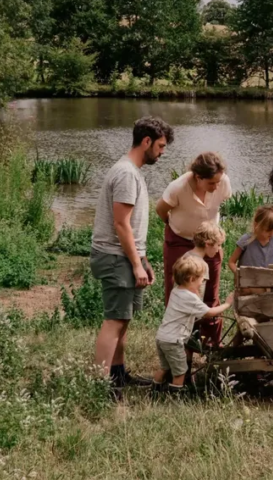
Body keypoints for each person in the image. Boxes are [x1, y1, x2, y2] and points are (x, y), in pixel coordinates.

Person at [90, 116, 174, 396]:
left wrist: (143, 260)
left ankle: (117, 375)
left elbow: (131, 228)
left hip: (126, 256)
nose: (162, 152)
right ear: (146, 141)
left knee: (123, 319)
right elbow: (121, 223)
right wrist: (136, 264)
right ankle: (100, 385)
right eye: (161, 146)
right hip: (115, 257)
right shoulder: (126, 173)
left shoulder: (132, 171)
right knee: (114, 320)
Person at [156, 152, 232, 347]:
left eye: (218, 181)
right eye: (211, 183)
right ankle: (182, 339)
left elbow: (219, 203)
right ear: (198, 177)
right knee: (180, 288)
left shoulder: (222, 182)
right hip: (180, 240)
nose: (217, 186)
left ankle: (211, 341)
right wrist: (175, 225)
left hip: (209, 242)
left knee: (210, 290)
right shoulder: (178, 187)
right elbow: (161, 209)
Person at [152, 253, 234, 396]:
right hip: (173, 341)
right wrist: (227, 304)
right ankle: (175, 398)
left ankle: (154, 392)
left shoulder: (176, 291)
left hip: (162, 337)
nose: (202, 283)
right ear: (191, 279)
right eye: (201, 279)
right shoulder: (189, 298)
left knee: (164, 368)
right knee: (180, 371)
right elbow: (209, 312)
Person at [228, 205, 273, 274]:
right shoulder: (246, 240)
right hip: (246, 283)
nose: (272, 233)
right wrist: (239, 275)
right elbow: (231, 262)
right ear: (257, 225)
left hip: (268, 283)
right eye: (268, 230)